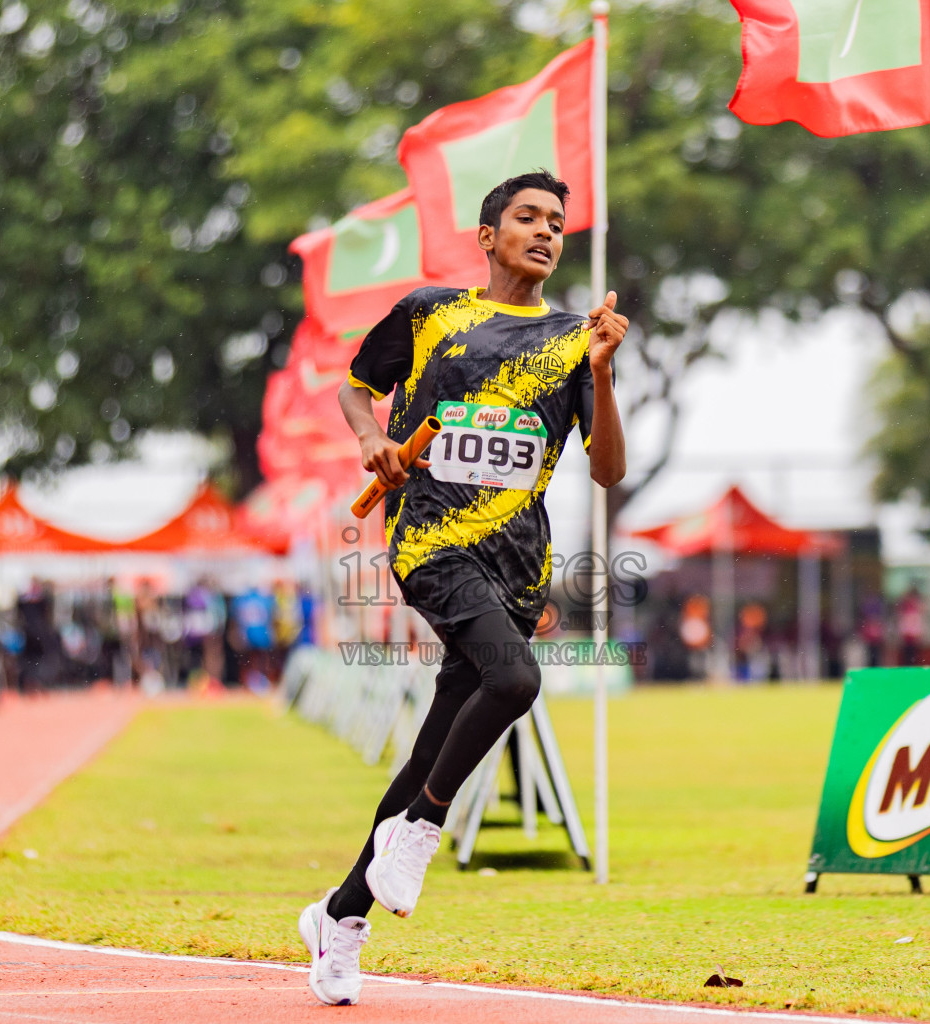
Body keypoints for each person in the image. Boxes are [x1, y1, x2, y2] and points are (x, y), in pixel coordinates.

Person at [299, 170, 628, 1006]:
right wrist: (374, 438)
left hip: (517, 565)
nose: (547, 231)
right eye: (528, 218)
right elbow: (355, 386)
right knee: (516, 680)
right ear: (488, 236)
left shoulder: (572, 341)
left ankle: (340, 917)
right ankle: (423, 828)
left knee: (431, 745)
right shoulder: (430, 312)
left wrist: (604, 374)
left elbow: (609, 469)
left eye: (557, 222)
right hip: (430, 544)